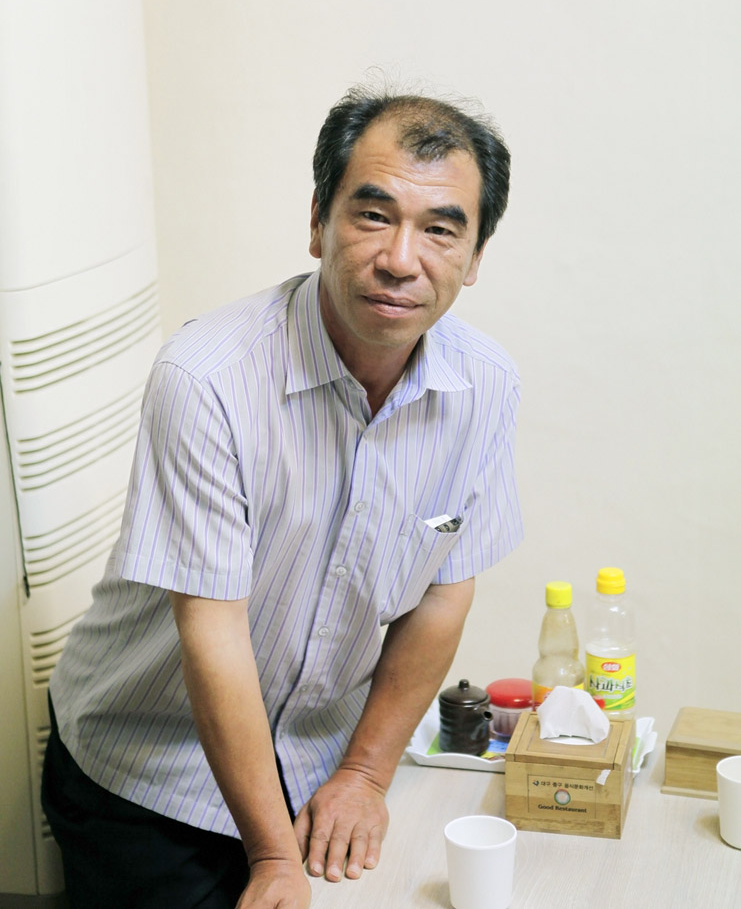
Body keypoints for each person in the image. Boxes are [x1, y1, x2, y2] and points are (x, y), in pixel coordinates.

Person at [42, 86, 524, 909]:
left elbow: (444, 592)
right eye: (372, 215)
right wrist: (271, 856)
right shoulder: (208, 378)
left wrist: (364, 772)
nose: (400, 257)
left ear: (474, 255)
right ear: (317, 221)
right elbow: (214, 631)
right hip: (151, 767)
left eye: (440, 229)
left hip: (319, 757)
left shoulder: (485, 384)